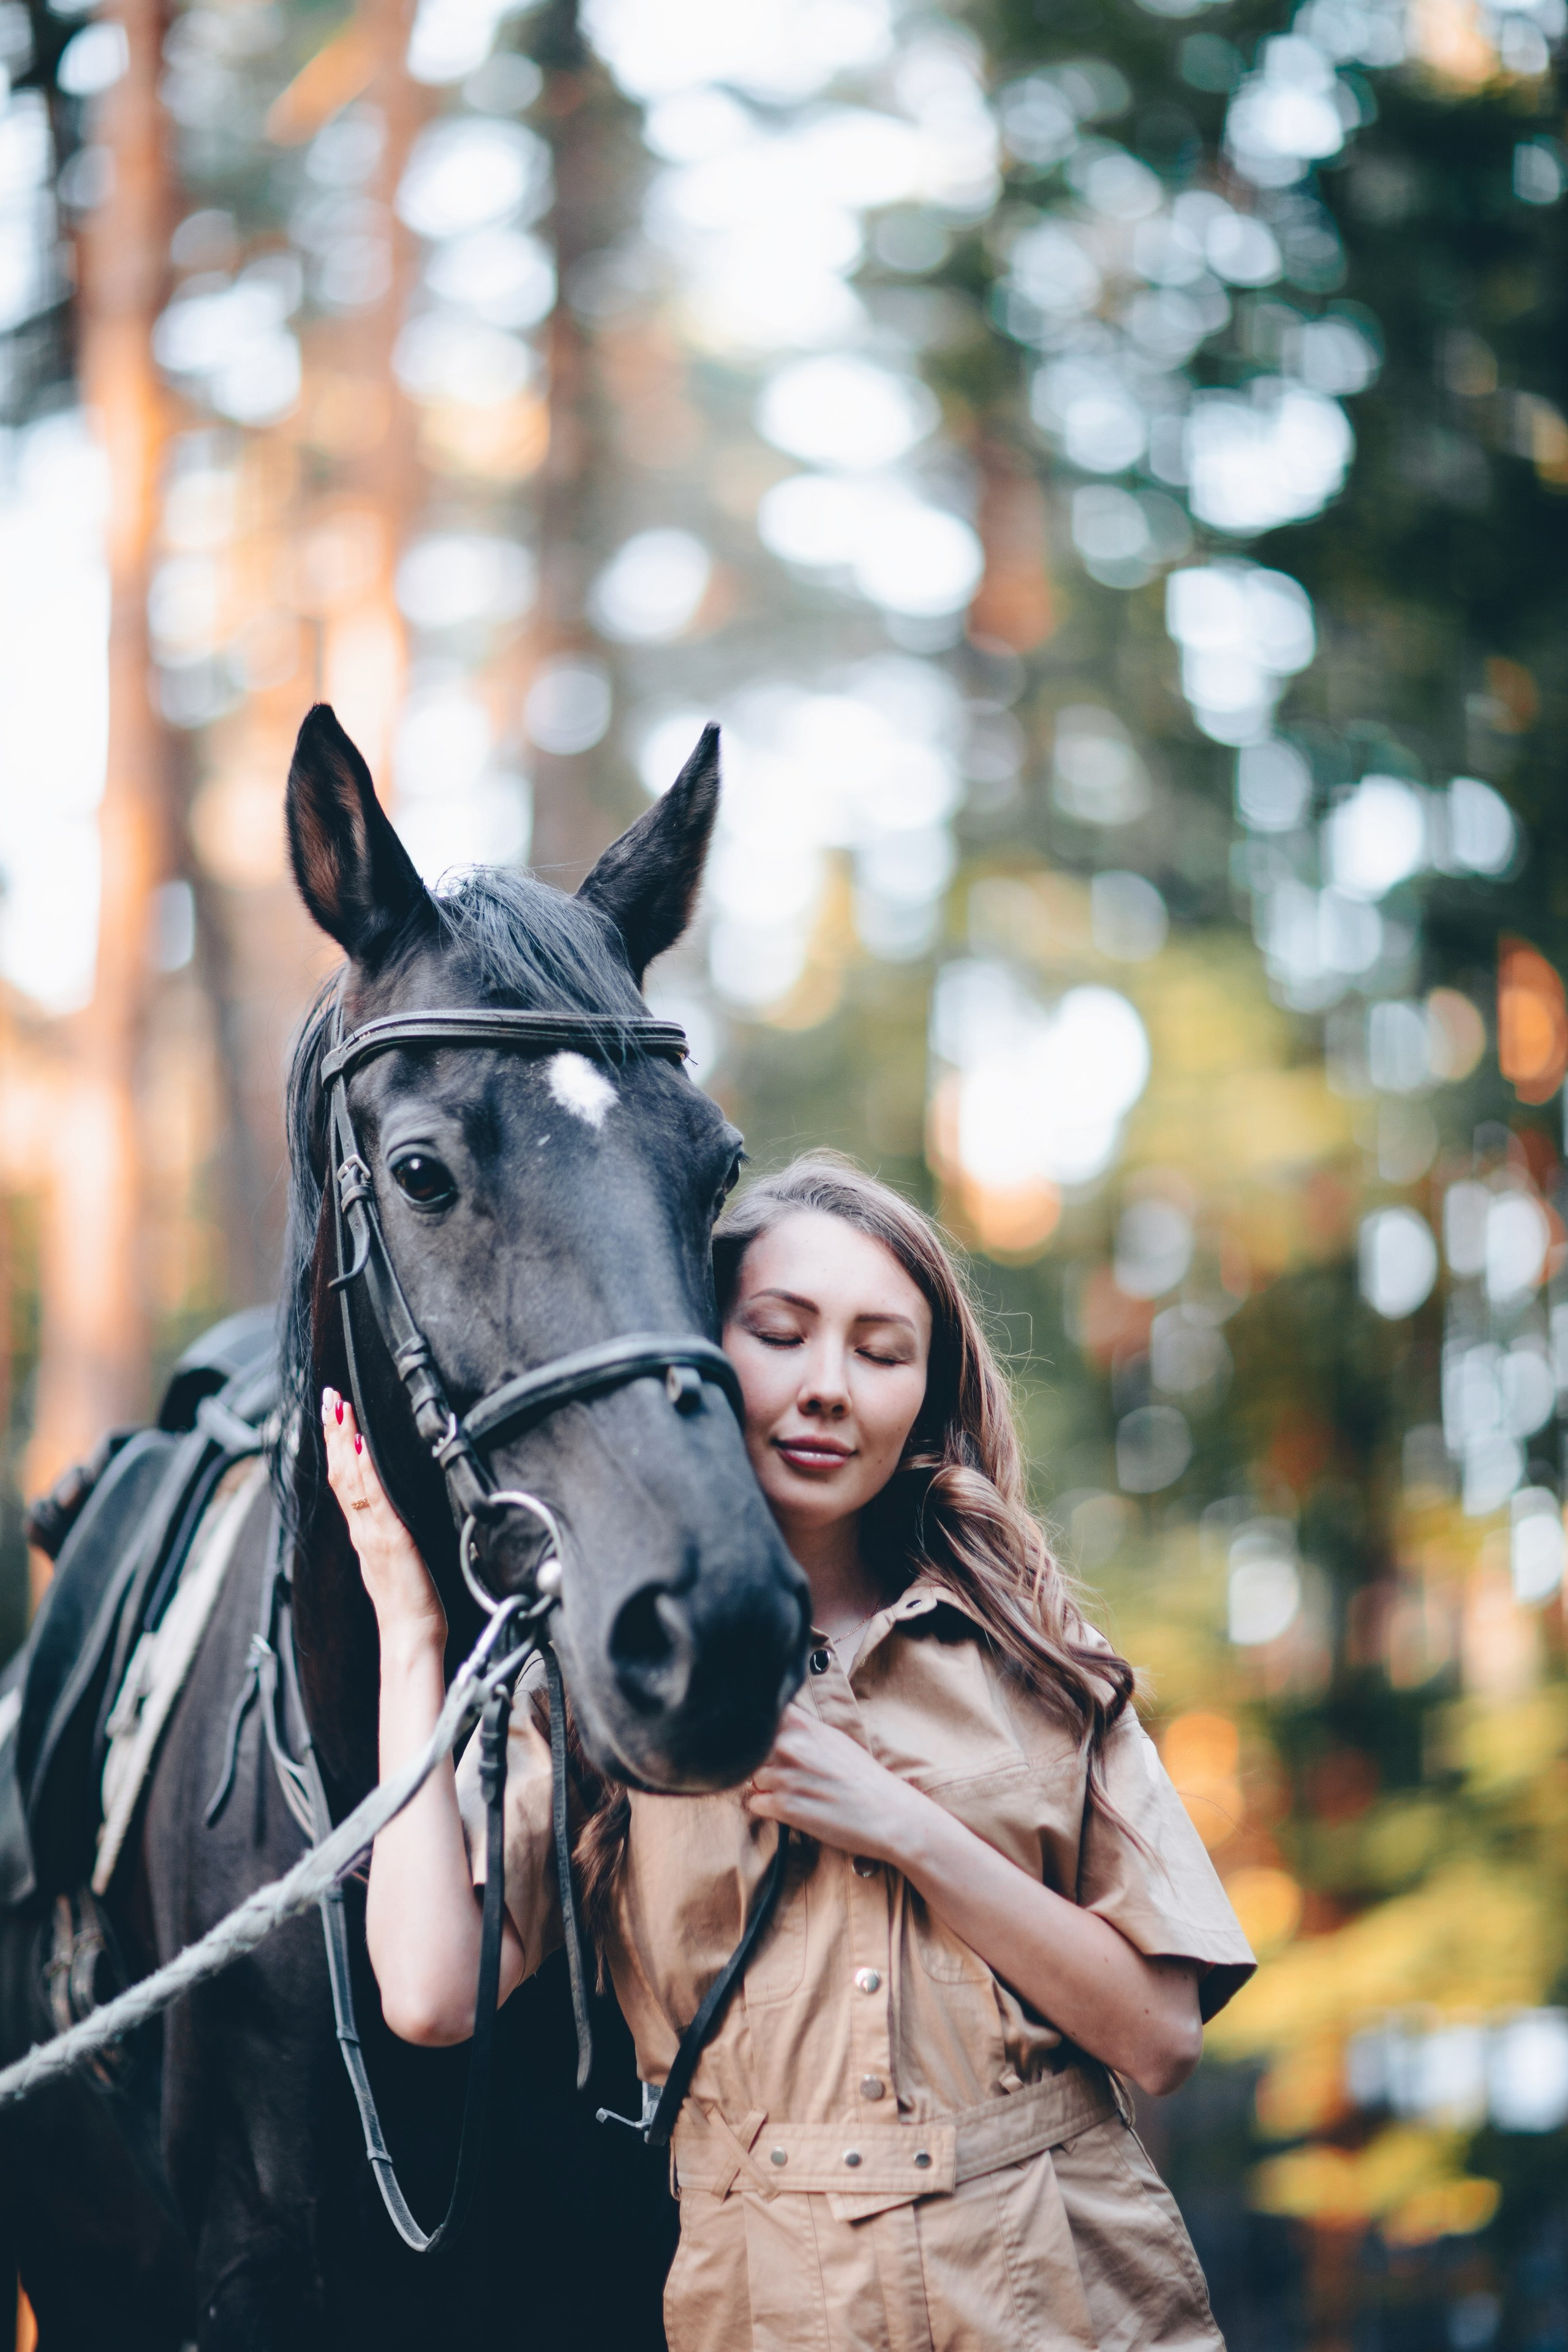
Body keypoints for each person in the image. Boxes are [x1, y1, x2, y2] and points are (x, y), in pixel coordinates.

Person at [322, 1152, 1254, 2351]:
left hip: (1071, 2295)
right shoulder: (604, 1681)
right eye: (778, 1334)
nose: (826, 1389)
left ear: (927, 1393)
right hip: (766, 2303)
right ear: (699, 1351)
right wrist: (411, 1634)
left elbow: (1160, 2038)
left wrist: (900, 1824)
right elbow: (428, 1995)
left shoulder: (1034, 1651)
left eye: (880, 1353)